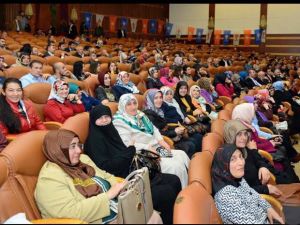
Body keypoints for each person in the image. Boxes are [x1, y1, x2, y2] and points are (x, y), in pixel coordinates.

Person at [84, 104, 180, 224]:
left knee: (174, 180)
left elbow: (123, 153)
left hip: (133, 172)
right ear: (93, 121)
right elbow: (107, 167)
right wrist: (130, 150)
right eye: (100, 118)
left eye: (106, 117)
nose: (104, 121)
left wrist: (129, 150)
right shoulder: (94, 141)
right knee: (167, 193)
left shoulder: (111, 131)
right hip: (123, 182)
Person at [34, 129, 126, 224]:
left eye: (79, 145)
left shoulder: (82, 159)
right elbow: (70, 213)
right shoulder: (50, 178)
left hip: (116, 207)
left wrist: (121, 189)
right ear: (58, 149)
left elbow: (107, 176)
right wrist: (108, 196)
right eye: (73, 146)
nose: (79, 150)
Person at [113, 94, 190, 188]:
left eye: (134, 103)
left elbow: (154, 129)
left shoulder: (140, 114)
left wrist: (162, 141)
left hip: (156, 147)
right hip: (144, 153)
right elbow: (127, 144)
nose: (133, 107)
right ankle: (184, 192)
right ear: (122, 106)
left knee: (182, 154)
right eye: (129, 104)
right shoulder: (119, 121)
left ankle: (191, 184)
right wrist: (147, 147)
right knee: (176, 166)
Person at [212, 144, 284, 224]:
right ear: (223, 164)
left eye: (241, 156)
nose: (241, 163)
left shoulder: (236, 178)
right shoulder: (225, 196)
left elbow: (255, 195)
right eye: (233, 159)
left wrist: (269, 209)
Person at [144, 89, 202, 158]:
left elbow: (168, 123)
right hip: (163, 142)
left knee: (197, 137)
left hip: (171, 134)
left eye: (160, 97)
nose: (159, 100)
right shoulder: (148, 114)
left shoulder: (160, 110)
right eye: (156, 98)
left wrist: (177, 129)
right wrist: (174, 132)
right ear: (150, 100)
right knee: (191, 144)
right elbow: (157, 134)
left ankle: (197, 161)